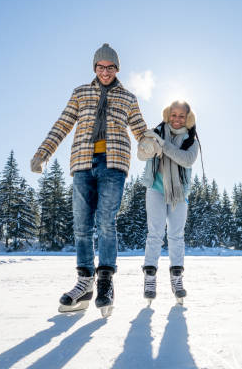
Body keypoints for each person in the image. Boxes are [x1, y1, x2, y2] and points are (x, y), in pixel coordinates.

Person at [31, 43, 148, 317]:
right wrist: (43, 153)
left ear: (117, 69)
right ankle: (84, 283)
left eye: (110, 67)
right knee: (81, 225)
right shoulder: (80, 93)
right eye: (100, 67)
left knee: (106, 221)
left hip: (114, 164)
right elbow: (62, 124)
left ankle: (105, 281)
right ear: (94, 68)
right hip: (82, 164)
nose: (105, 72)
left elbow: (141, 129)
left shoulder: (128, 98)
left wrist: (150, 142)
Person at [137, 100, 201, 305]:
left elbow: (186, 159)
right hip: (155, 189)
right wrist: (149, 144)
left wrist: (163, 145)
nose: (177, 119)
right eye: (173, 115)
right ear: (168, 114)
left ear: (187, 118)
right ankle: (150, 277)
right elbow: (141, 154)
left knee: (176, 235)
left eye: (181, 116)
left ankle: (177, 278)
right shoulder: (156, 131)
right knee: (155, 233)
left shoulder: (191, 139)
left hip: (179, 193)